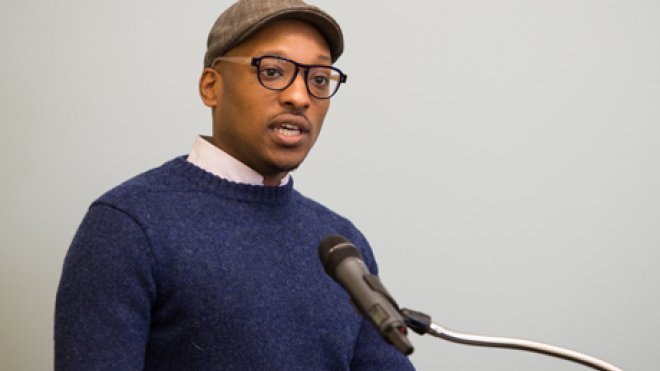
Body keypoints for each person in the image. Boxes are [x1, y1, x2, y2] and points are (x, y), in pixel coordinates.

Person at [55, 0, 416, 369]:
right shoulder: (128, 226)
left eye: (319, 79)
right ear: (211, 87)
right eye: (273, 71)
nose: (300, 96)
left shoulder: (342, 249)